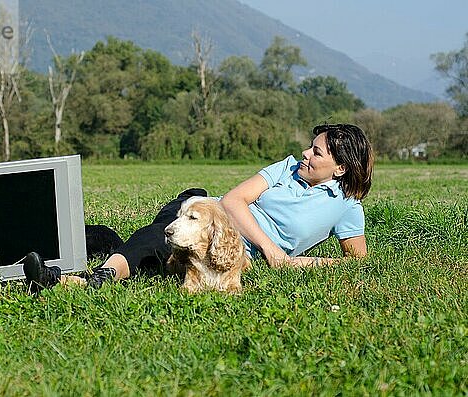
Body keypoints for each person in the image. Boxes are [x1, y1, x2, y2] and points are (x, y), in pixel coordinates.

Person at [23, 123, 374, 291]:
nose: (305, 154)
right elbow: (233, 201)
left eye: (317, 152)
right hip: (215, 218)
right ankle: (99, 272)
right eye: (309, 147)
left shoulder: (346, 207)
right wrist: (274, 250)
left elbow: (357, 261)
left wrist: (299, 261)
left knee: (153, 239)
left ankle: (88, 274)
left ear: (340, 168)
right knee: (183, 209)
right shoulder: (286, 168)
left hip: (235, 248)